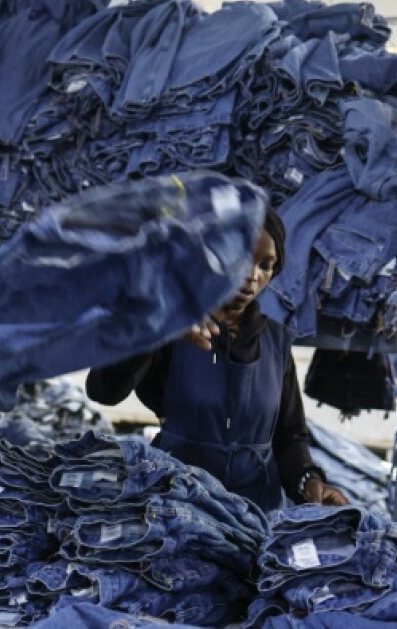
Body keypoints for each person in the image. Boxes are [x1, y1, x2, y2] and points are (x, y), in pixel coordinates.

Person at [86, 207, 348, 512]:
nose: (252, 276)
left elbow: (289, 436)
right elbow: (103, 391)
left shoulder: (275, 342)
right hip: (178, 507)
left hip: (256, 513)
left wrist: (308, 481)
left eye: (266, 265)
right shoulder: (174, 326)